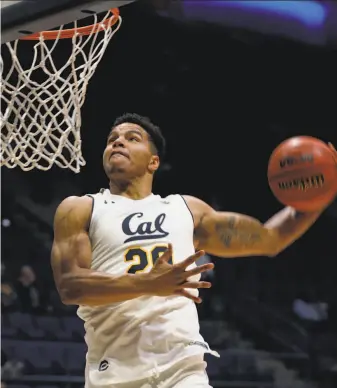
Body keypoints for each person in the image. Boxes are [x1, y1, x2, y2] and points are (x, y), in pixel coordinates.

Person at [51, 113, 336, 388]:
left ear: (153, 161)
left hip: (182, 373)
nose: (117, 142)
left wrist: (321, 190)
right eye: (112, 138)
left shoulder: (186, 209)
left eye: (131, 137)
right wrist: (147, 283)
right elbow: (70, 287)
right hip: (113, 374)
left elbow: (271, 238)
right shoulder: (80, 209)